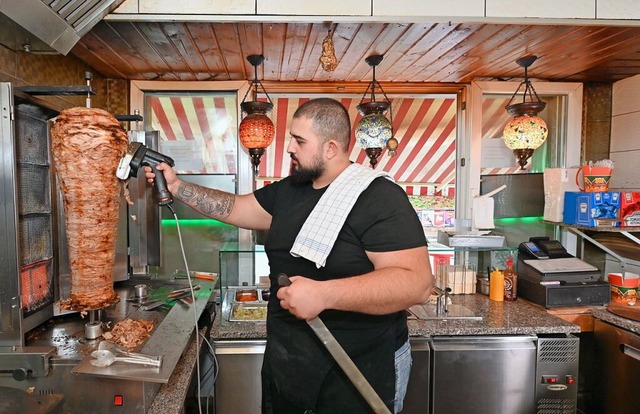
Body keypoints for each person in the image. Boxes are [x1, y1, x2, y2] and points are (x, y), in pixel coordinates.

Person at [145, 97, 433, 413]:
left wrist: (325, 294)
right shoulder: (289, 190)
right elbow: (237, 208)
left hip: (358, 364)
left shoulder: (379, 197)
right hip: (290, 360)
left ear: (331, 148)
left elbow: (416, 285)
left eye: (299, 140)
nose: (289, 149)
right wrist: (177, 187)